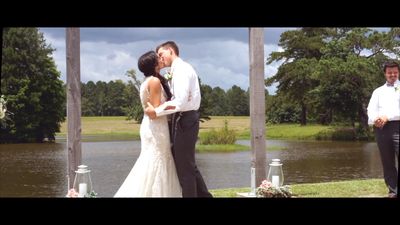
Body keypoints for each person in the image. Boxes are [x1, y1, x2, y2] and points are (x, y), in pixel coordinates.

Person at [145, 41, 213, 197]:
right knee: (188, 165)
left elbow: (180, 102)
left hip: (186, 118)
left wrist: (156, 111)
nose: (160, 59)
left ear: (170, 51)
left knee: (185, 169)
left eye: (161, 54)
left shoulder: (182, 69)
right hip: (183, 118)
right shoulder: (176, 70)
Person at [114, 51, 182, 197]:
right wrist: (176, 104)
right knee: (158, 160)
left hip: (151, 126)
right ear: (153, 64)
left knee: (154, 159)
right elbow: (156, 110)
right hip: (156, 127)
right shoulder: (155, 81)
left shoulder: (149, 80)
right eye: (158, 58)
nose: (161, 58)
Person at [367, 60, 399, 198]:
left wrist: (387, 117)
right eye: (390, 72)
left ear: (398, 72)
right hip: (382, 129)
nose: (392, 75)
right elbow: (370, 109)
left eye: (395, 72)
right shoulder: (378, 91)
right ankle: (393, 190)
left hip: (398, 126)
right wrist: (375, 119)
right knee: (387, 161)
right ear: (385, 73)